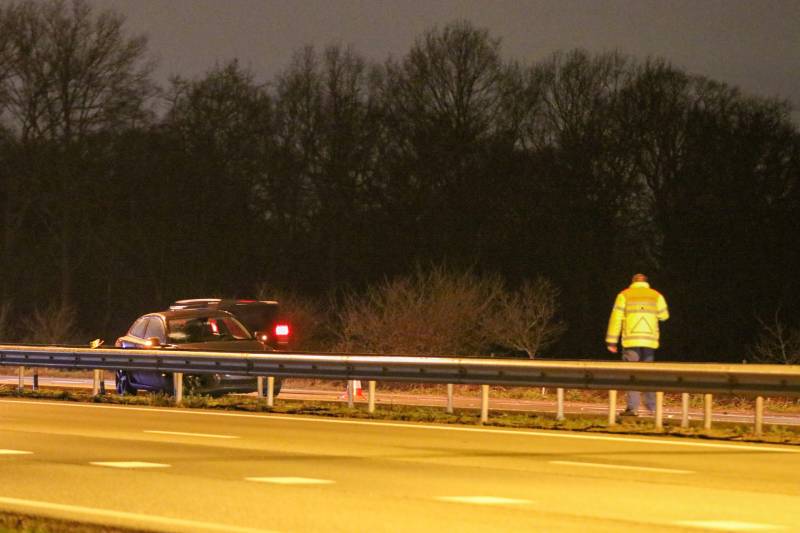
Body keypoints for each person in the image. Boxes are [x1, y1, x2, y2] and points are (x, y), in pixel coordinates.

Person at [605, 273, 669, 416]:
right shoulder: (656, 295)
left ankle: (633, 409)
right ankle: (652, 408)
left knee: (632, 375)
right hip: (649, 341)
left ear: (632, 282)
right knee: (648, 375)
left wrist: (611, 341)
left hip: (631, 340)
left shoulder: (624, 295)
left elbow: (616, 319)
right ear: (647, 282)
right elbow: (664, 316)